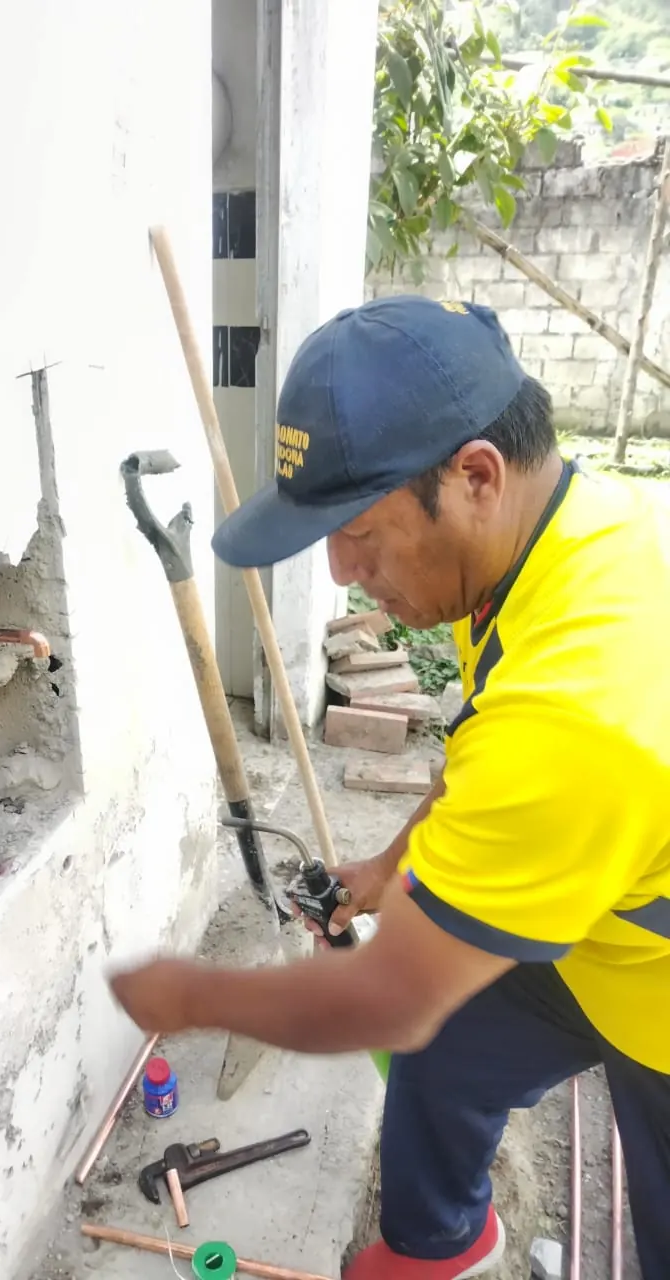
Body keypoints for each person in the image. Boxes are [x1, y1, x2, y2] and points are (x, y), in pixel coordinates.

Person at [107, 295, 670, 1279]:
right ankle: (445, 1242)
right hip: (601, 919)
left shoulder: (575, 707)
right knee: (447, 1049)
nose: (341, 571)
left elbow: (386, 1000)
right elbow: (472, 759)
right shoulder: (551, 539)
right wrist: (384, 867)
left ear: (476, 477)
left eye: (360, 532)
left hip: (655, 991)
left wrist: (187, 992)